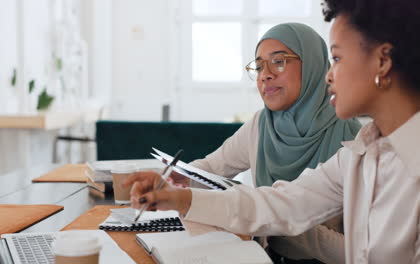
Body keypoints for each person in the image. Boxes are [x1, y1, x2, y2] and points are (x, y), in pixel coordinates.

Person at [124, 0, 420, 263]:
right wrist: (179, 198)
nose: (329, 74)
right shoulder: (360, 152)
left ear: (382, 62)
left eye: (338, 58)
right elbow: (281, 203)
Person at [172, 22, 361, 264]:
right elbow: (211, 168)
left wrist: (280, 221)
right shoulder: (262, 124)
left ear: (313, 64)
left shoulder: (355, 142)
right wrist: (176, 178)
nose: (266, 74)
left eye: (279, 61)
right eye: (259, 67)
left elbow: (364, 253)